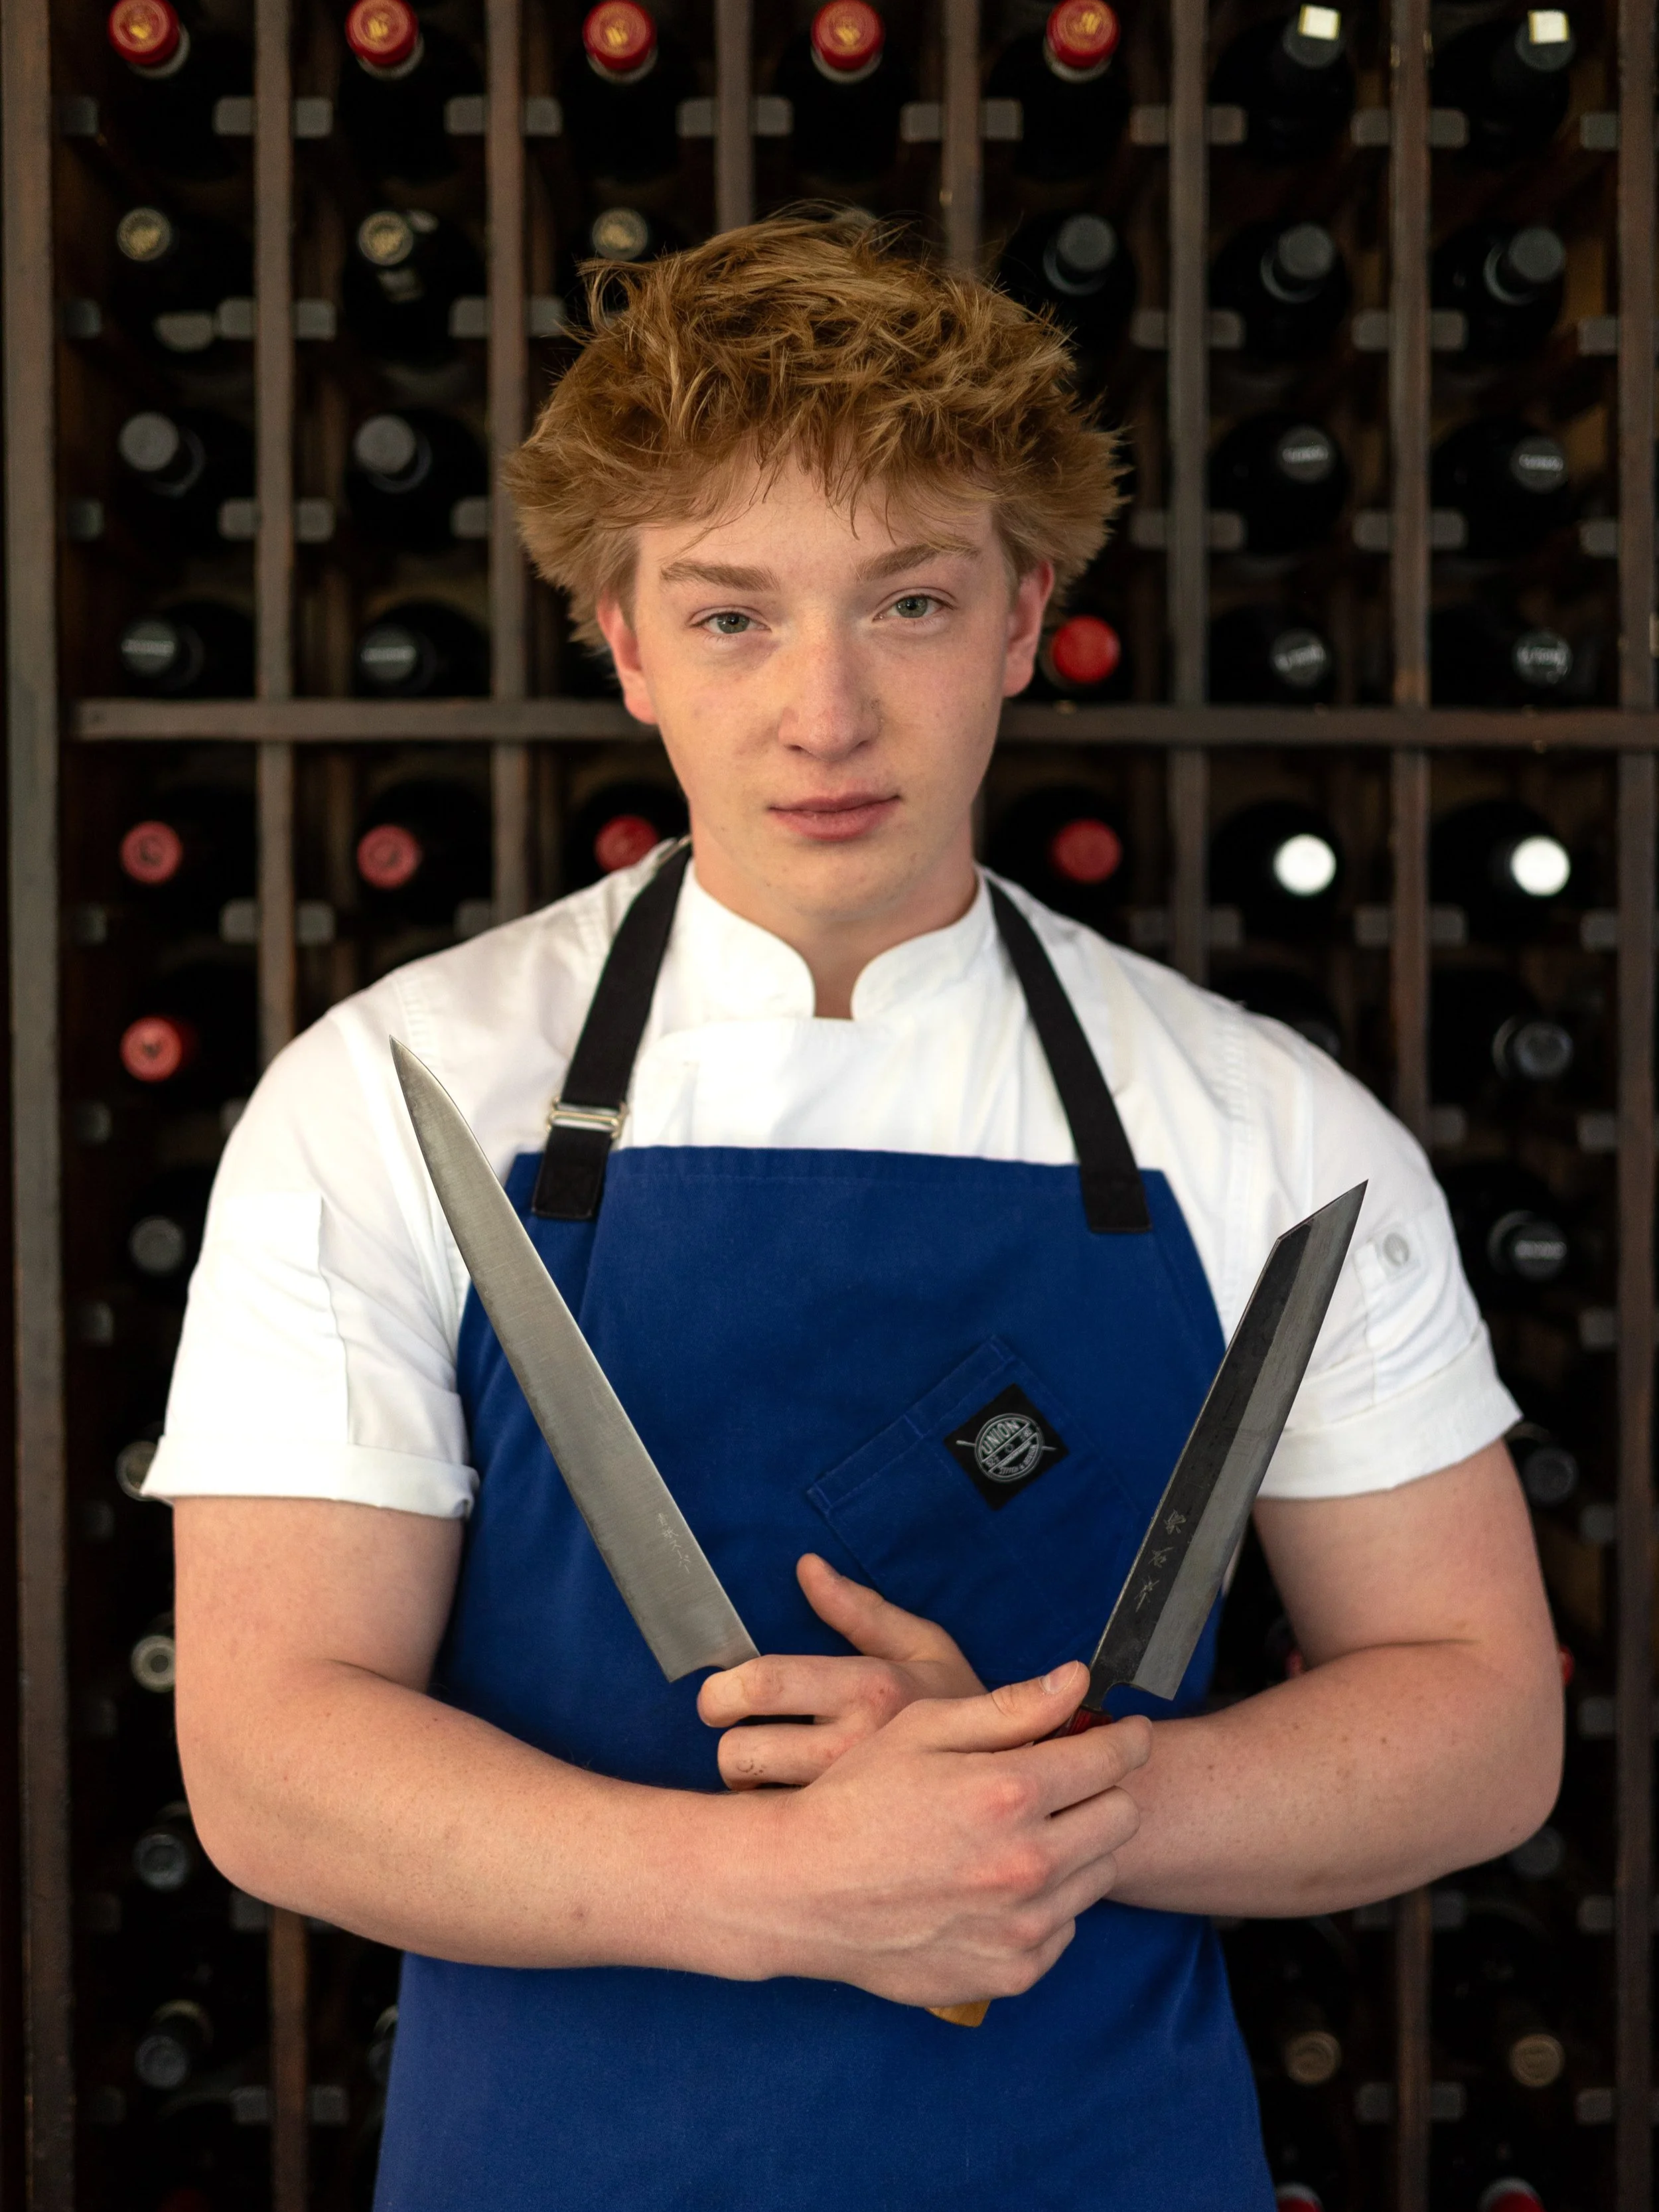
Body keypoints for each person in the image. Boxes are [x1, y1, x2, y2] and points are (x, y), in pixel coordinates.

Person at [153, 217, 1561, 2209]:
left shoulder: (1272, 1133)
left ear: (1022, 618)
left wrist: (1053, 1805)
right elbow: (270, 1758)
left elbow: (1481, 1717)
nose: (825, 713)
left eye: (907, 603)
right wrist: (777, 1878)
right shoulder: (388, 1104)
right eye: (732, 617)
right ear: (623, 640)